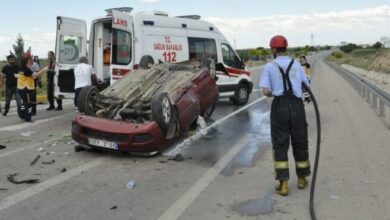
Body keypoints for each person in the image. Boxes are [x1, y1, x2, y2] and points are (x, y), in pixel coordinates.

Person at [259, 35, 311, 196]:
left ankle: (283, 184)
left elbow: (266, 91)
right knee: (300, 141)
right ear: (286, 48)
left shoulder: (269, 66)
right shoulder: (296, 64)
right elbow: (306, 86)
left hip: (279, 106)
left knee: (280, 144)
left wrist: (273, 92)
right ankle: (302, 179)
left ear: (274, 49)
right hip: (296, 106)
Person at [17, 52, 47, 122]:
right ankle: (28, 118)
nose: (31, 62)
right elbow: (36, 74)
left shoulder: (21, 68)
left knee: (23, 103)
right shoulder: (26, 70)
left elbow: (29, 77)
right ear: (26, 62)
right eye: (29, 61)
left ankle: (22, 115)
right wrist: (44, 69)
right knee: (28, 104)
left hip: (21, 88)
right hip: (26, 89)